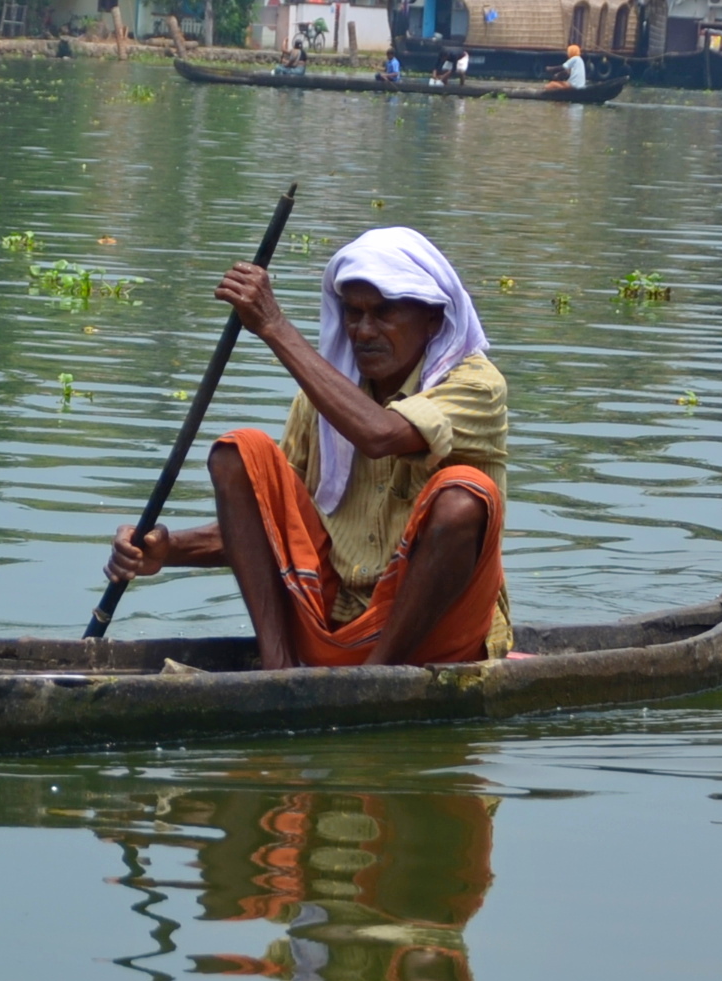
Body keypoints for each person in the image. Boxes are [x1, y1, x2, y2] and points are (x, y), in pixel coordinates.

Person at [106, 226, 509, 673]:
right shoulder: (320, 401)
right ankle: (279, 674)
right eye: (353, 314)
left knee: (462, 495)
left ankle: (375, 681)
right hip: (331, 627)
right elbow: (278, 531)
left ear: (433, 318)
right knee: (240, 453)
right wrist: (168, 550)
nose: (364, 331)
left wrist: (274, 327)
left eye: (383, 314)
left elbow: (379, 435)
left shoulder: (475, 386)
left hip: (438, 637)